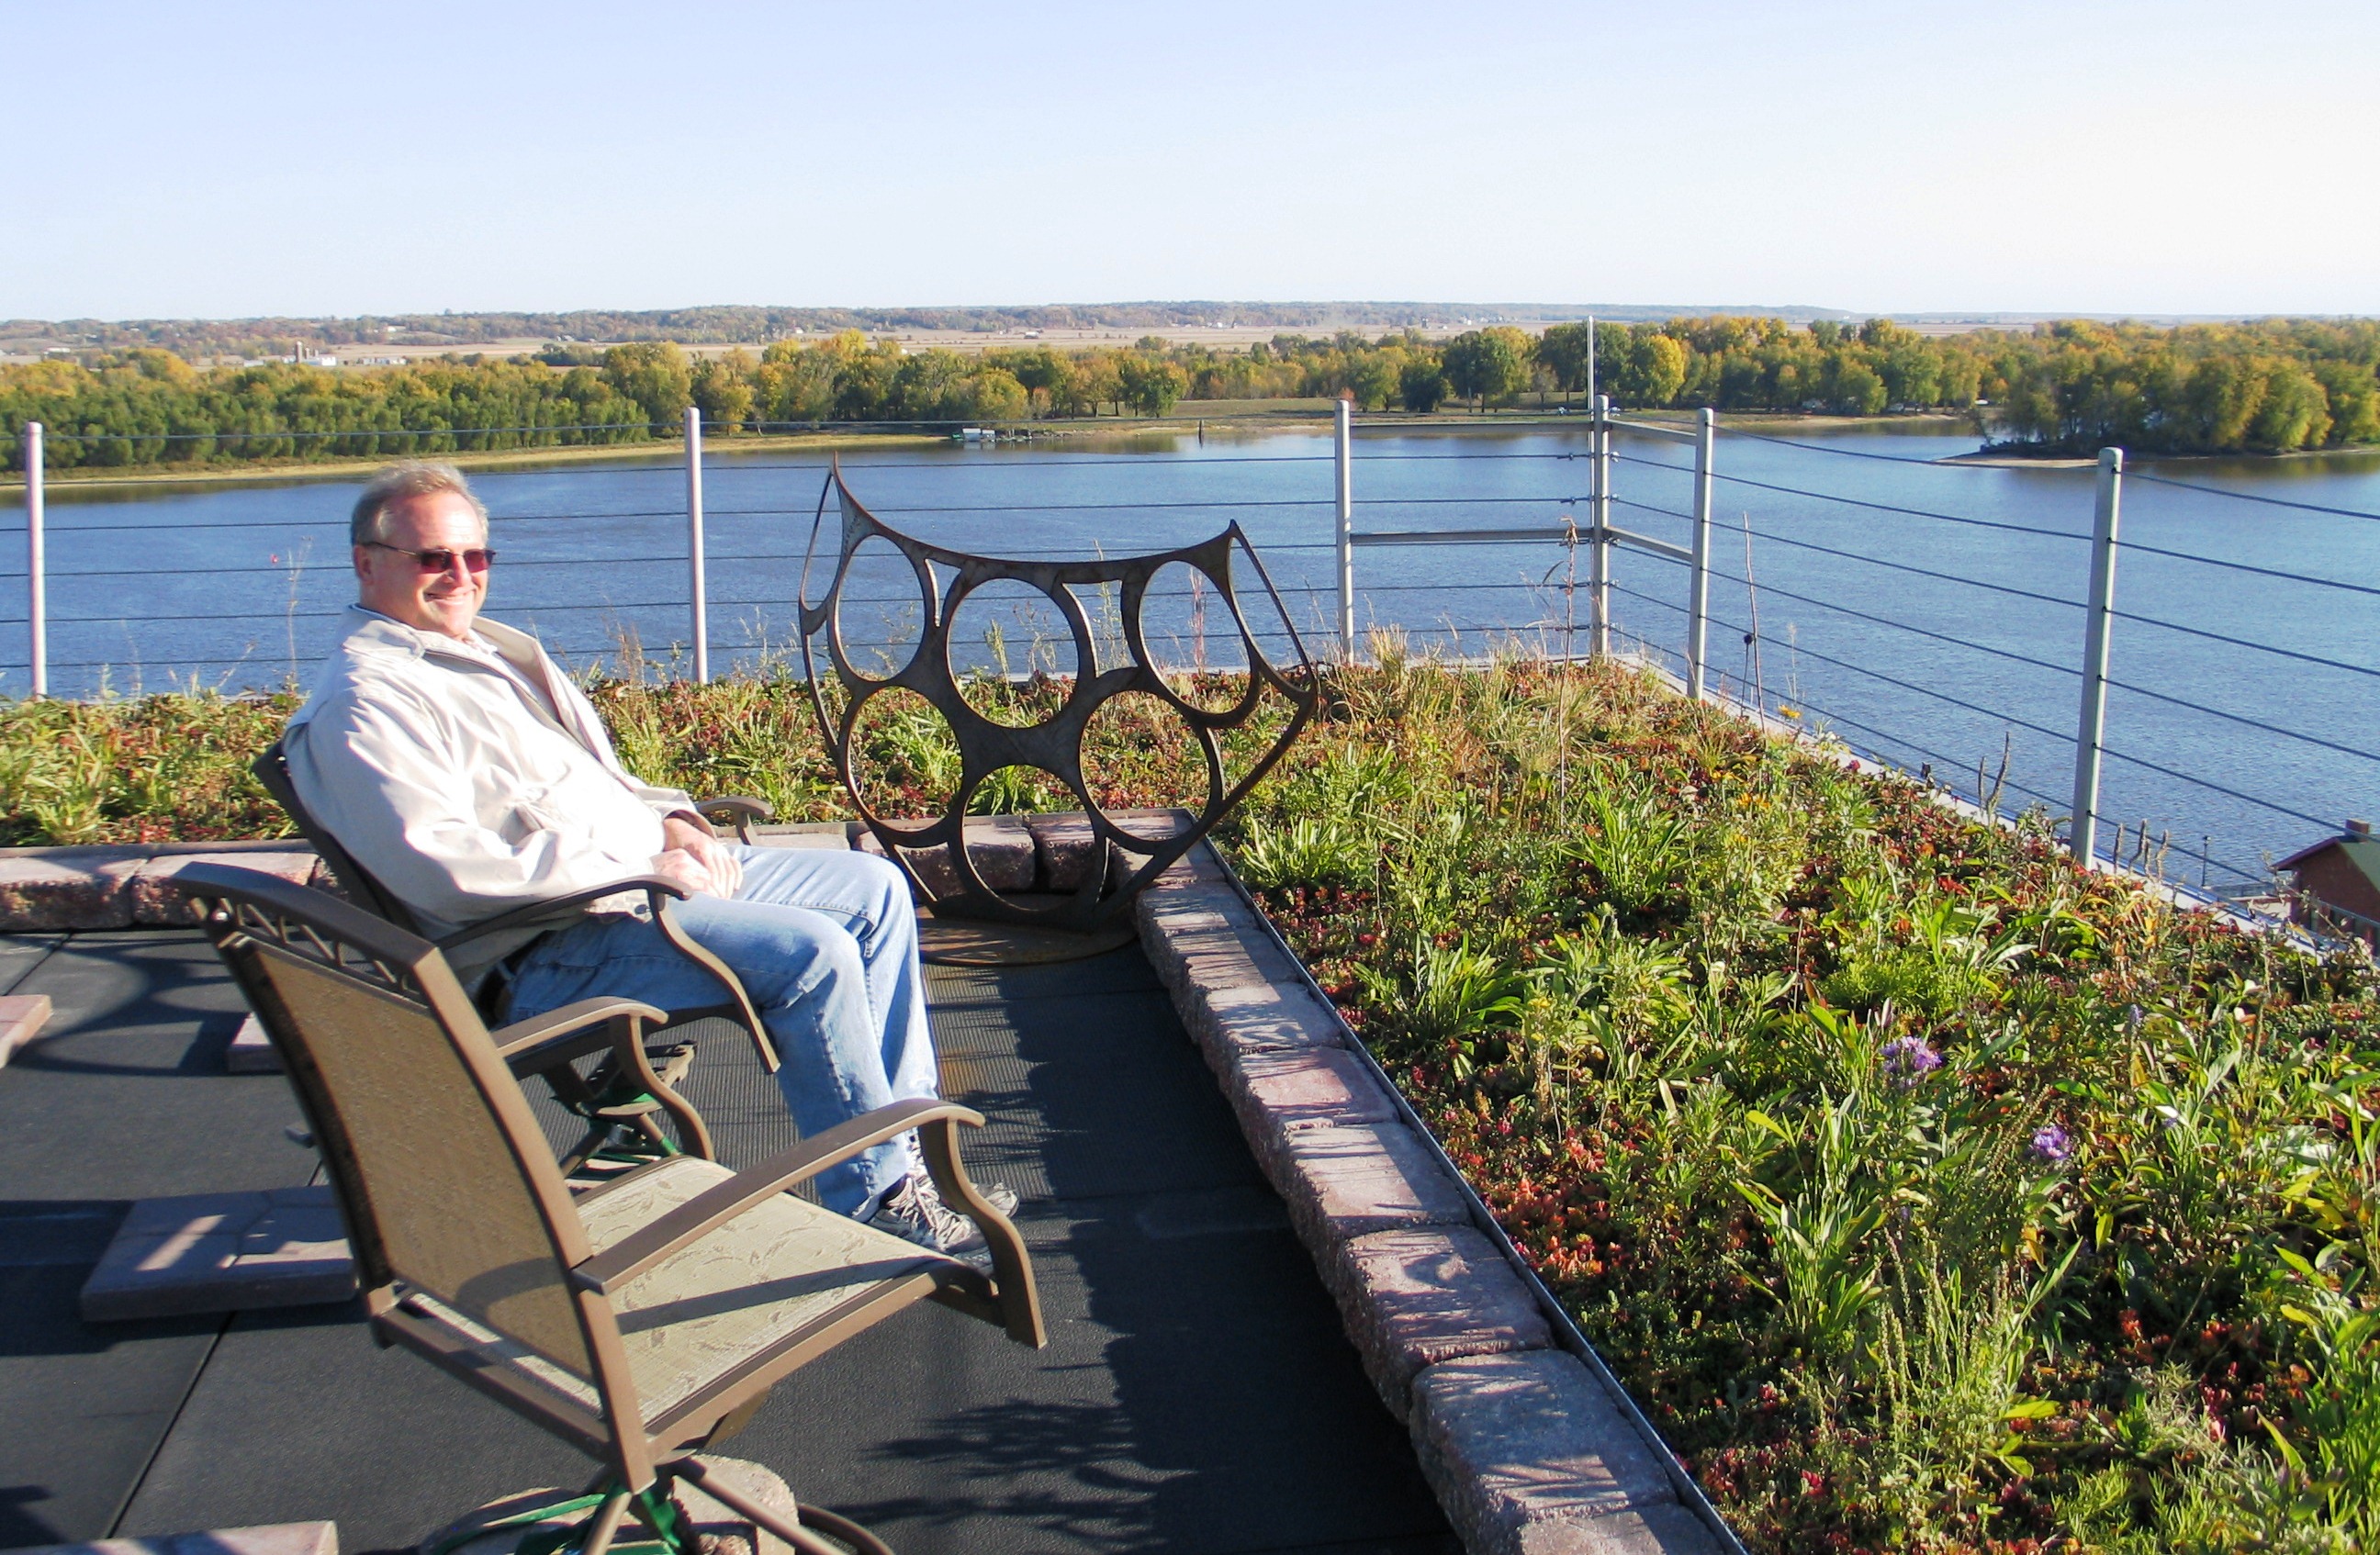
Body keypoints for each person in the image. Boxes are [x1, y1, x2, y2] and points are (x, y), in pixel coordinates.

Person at [281, 460, 1004, 1255]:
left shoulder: (480, 653)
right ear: (366, 561)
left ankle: (905, 1155)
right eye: (433, 559)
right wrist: (638, 866)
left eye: (475, 557)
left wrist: (676, 821)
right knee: (814, 954)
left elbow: (597, 784)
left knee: (873, 887)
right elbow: (449, 873)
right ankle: (874, 1196)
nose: (460, 575)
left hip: (637, 879)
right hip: (541, 946)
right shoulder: (366, 703)